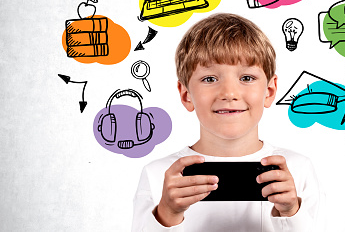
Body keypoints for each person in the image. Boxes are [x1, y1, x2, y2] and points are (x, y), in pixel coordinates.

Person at [132, 13, 323, 231]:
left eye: (246, 78)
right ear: (186, 95)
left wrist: (291, 213)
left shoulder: (297, 169)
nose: (229, 93)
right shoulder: (160, 175)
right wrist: (166, 214)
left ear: (269, 91)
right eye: (210, 79)